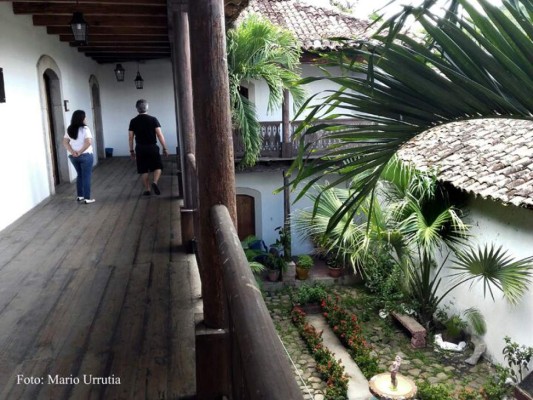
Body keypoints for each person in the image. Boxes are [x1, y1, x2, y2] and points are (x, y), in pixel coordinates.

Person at [128, 99, 168, 195]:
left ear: (137, 109)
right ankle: (155, 182)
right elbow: (159, 135)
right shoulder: (153, 119)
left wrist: (132, 151)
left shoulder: (133, 121)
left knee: (143, 169)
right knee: (158, 166)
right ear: (147, 108)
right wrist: (165, 147)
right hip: (152, 147)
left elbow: (130, 137)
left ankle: (147, 189)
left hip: (140, 148)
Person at [63, 110, 95, 204]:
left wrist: (73, 152)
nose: (86, 118)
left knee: (79, 175)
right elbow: (88, 142)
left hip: (74, 157)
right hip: (86, 156)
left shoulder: (69, 129)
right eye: (85, 117)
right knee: (86, 176)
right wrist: (80, 152)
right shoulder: (85, 129)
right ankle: (87, 198)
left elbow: (65, 142)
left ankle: (80, 196)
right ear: (82, 118)